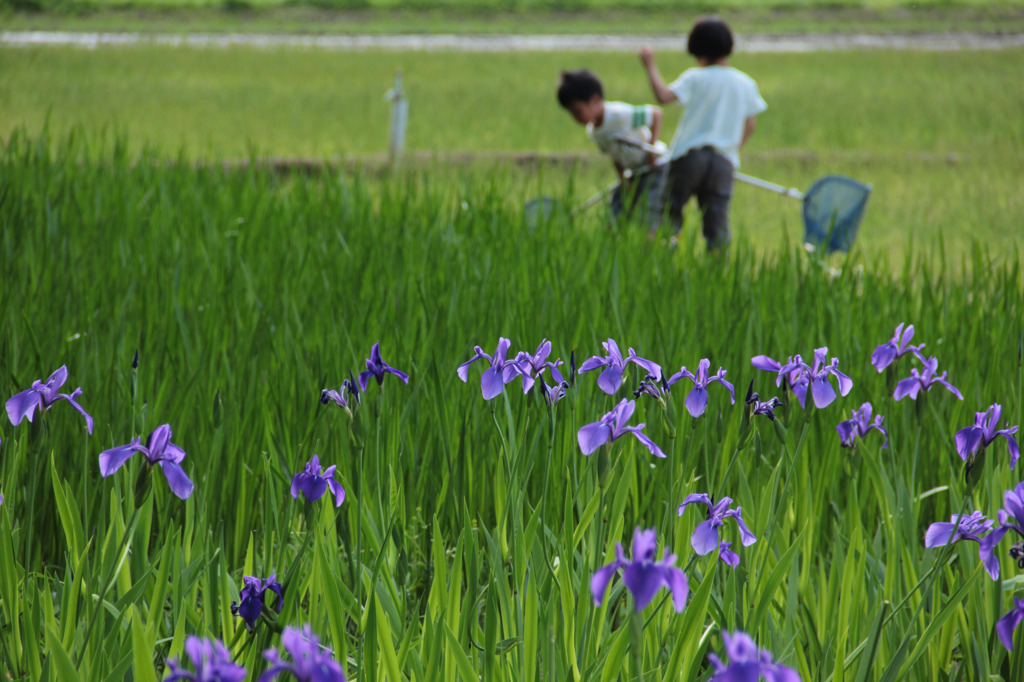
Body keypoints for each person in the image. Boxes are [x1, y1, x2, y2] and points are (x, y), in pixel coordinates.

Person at [639, 16, 767, 250]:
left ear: (696, 49)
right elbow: (750, 125)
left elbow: (663, 96)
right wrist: (731, 150)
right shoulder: (745, 83)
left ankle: (657, 263)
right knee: (717, 225)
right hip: (722, 162)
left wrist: (650, 65)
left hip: (690, 157)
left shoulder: (696, 76)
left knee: (668, 214)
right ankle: (717, 275)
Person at [557, 69, 669, 232]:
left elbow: (656, 115)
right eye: (572, 114)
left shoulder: (619, 114)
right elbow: (614, 154)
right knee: (617, 209)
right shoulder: (594, 133)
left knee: (649, 212)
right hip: (634, 172)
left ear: (595, 100)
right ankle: (611, 245)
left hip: (656, 167)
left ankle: (651, 244)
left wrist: (651, 152)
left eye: (578, 111)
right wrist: (622, 178)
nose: (576, 118)